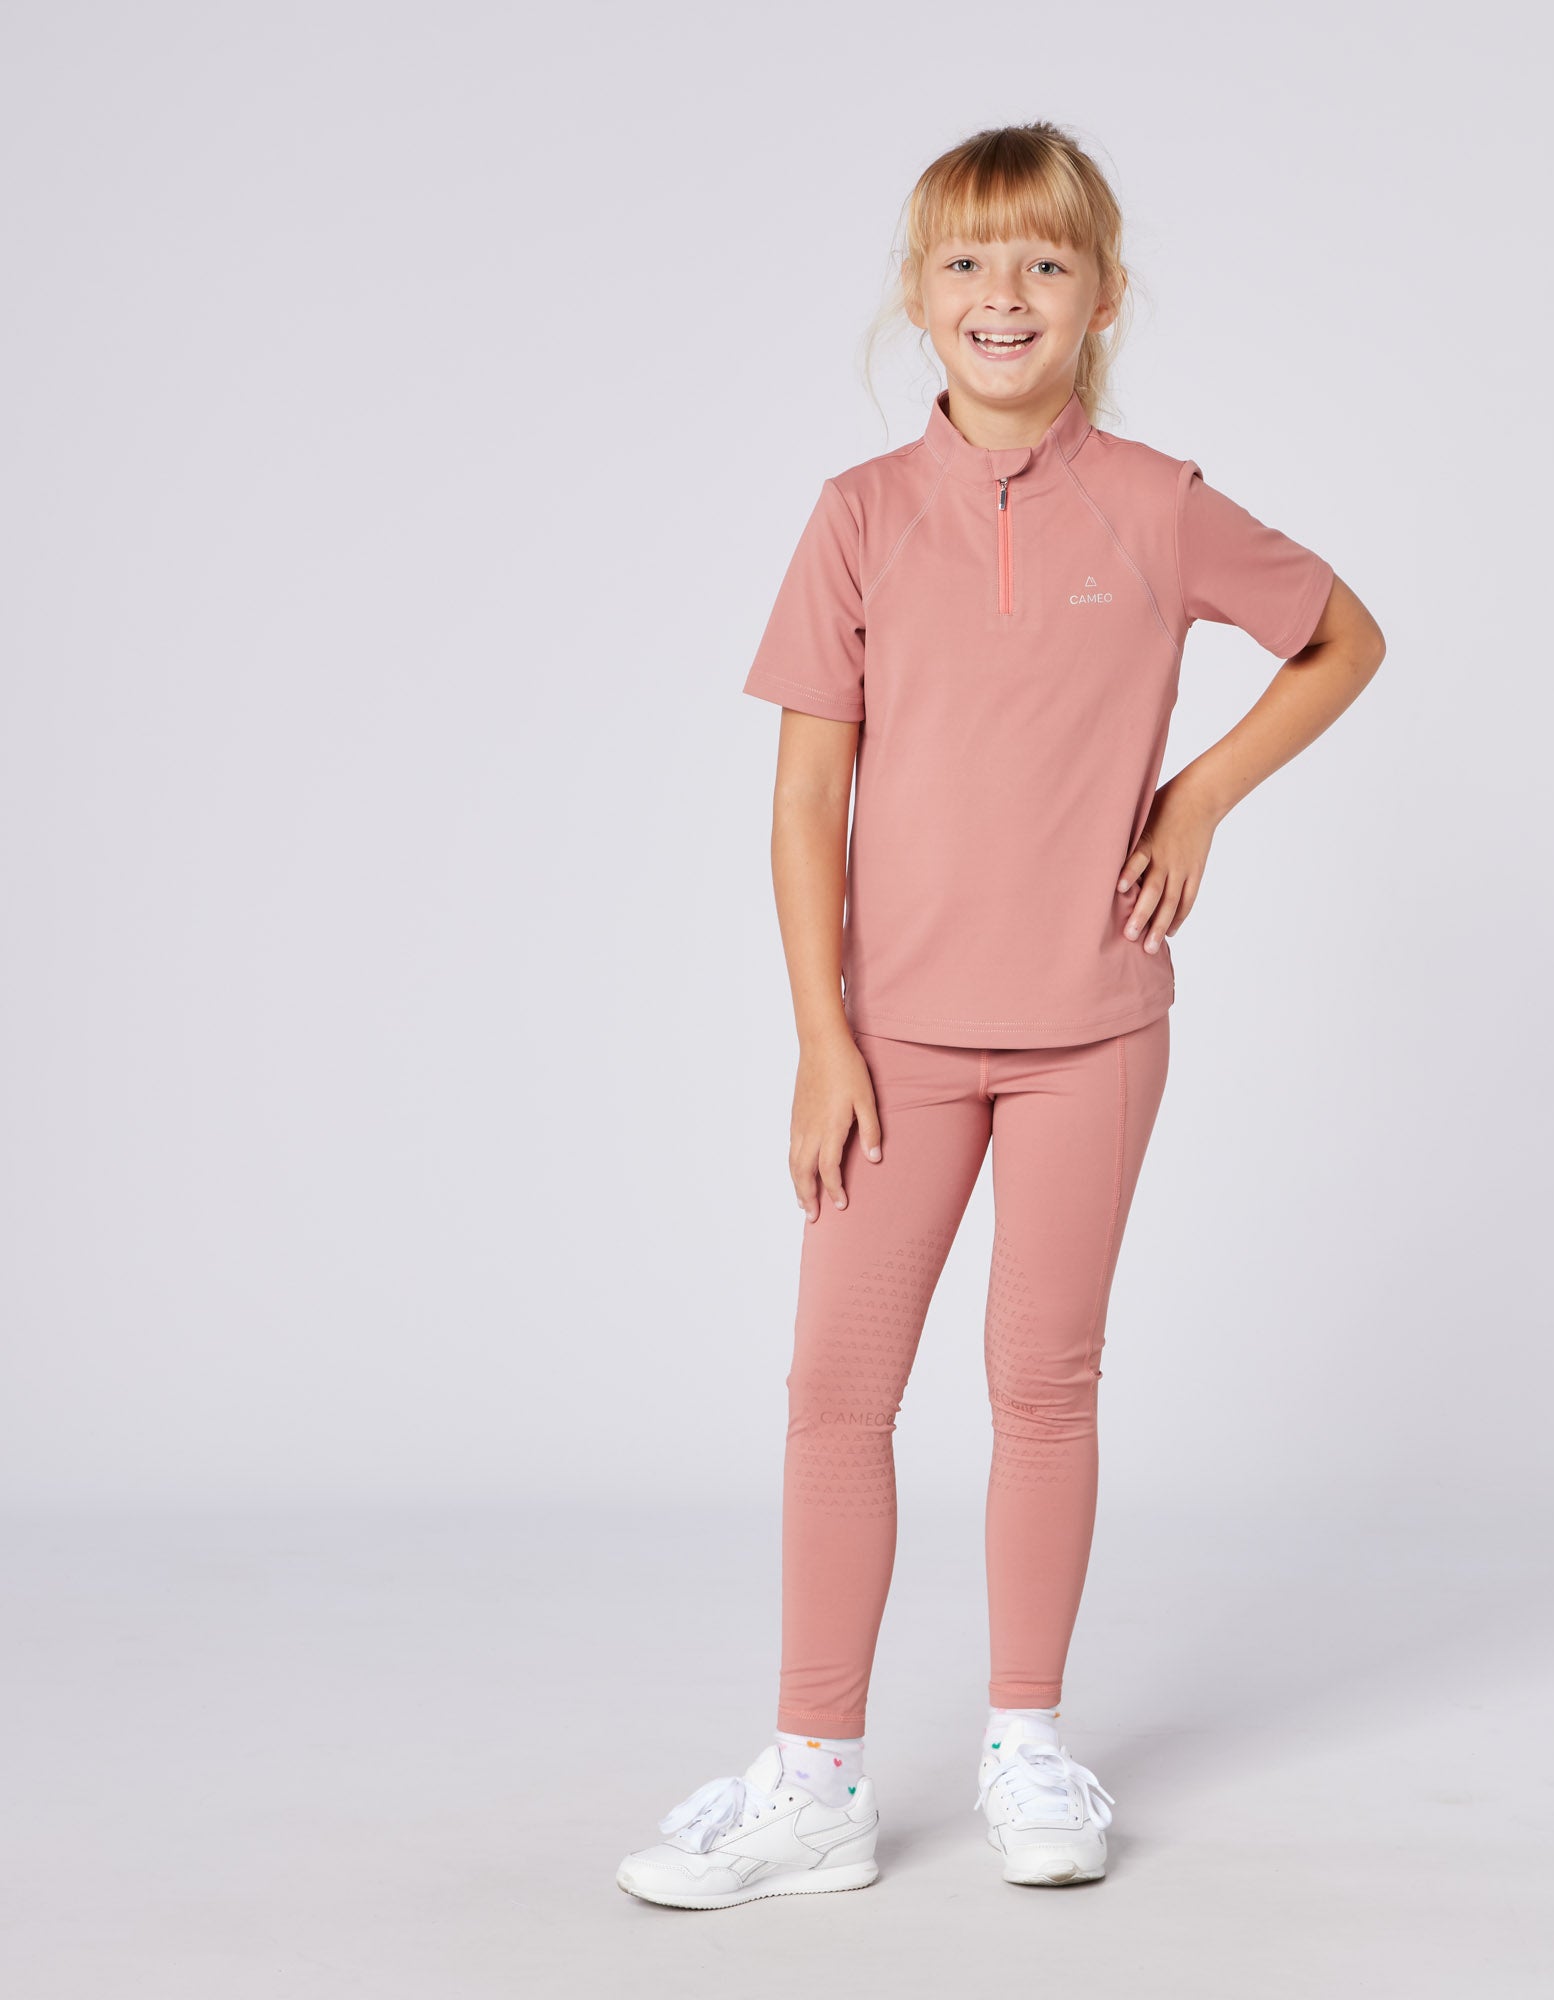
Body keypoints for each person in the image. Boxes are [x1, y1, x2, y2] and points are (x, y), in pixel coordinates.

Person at [616, 120, 1386, 1910]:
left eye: (1044, 259)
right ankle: (816, 1780)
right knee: (837, 1394)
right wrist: (823, 1038)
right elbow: (808, 798)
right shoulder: (859, 516)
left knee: (1042, 1386)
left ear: (1103, 295)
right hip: (892, 1042)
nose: (1004, 293)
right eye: (966, 261)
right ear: (917, 296)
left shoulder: (1161, 503)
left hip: (1091, 1030)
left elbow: (1342, 638)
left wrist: (1199, 798)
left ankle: (1028, 1742)